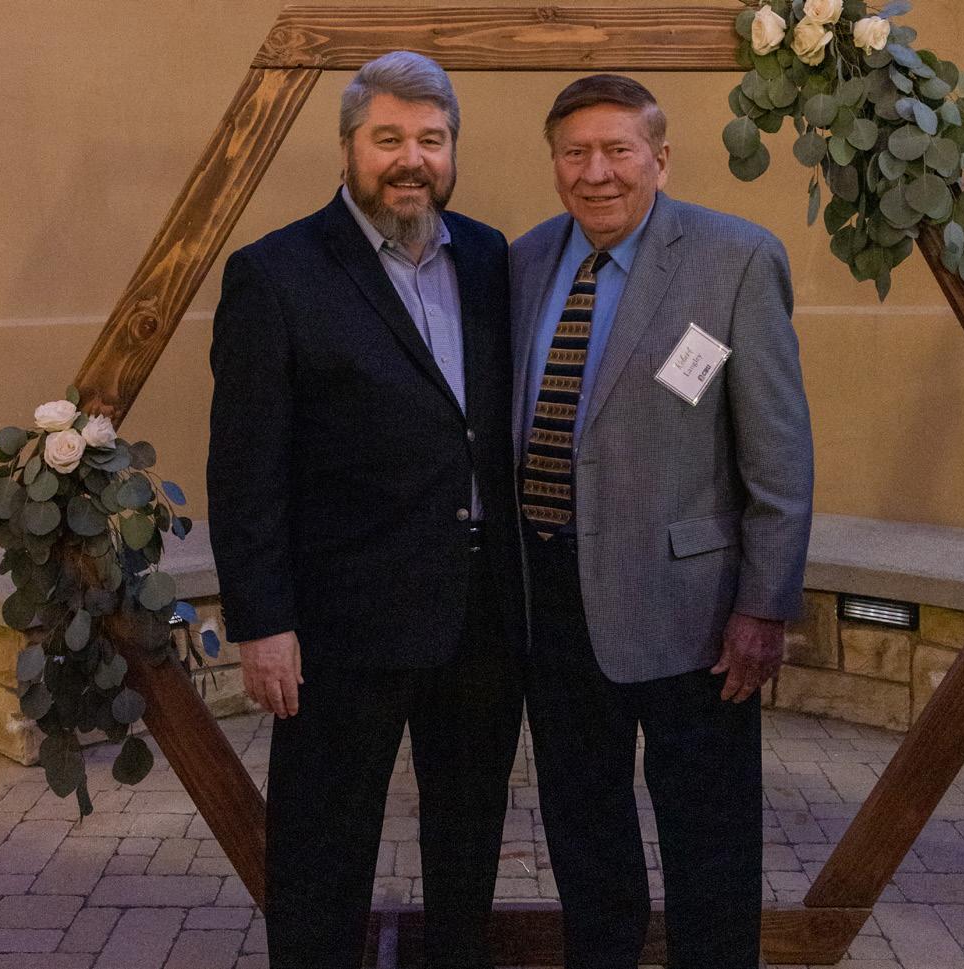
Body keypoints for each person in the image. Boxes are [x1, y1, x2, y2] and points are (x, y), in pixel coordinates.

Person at [207, 51, 525, 969]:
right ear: (348, 146)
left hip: (479, 615)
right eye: (388, 138)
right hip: (340, 624)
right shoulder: (274, 274)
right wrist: (263, 623)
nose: (410, 159)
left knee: (469, 834)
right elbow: (245, 469)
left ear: (452, 149)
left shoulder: (490, 258)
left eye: (430, 139)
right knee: (320, 847)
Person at [511, 74, 814, 969]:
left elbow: (778, 453)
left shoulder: (735, 258)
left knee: (708, 836)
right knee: (583, 826)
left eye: (618, 150)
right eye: (575, 153)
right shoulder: (523, 261)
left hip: (696, 610)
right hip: (551, 598)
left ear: (660, 157)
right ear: (554, 163)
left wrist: (764, 604)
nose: (596, 172)